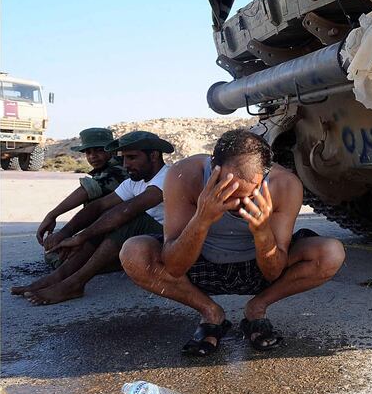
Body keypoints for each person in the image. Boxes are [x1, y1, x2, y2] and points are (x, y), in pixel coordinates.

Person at [120, 129, 345, 356]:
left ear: (264, 175)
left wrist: (262, 231)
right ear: (213, 167)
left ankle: (257, 309)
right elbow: (175, 266)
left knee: (330, 253)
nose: (237, 202)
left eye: (248, 193)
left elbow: (273, 273)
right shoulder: (184, 175)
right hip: (199, 264)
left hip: (257, 267)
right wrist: (202, 219)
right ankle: (211, 314)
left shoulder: (285, 185)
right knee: (134, 253)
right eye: (226, 189)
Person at [12, 131, 173, 305]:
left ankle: (75, 283)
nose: (126, 164)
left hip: (176, 246)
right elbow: (99, 206)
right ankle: (59, 276)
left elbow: (128, 210)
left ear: (154, 156)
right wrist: (67, 232)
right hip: (147, 243)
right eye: (124, 158)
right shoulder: (135, 181)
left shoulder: (169, 177)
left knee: (129, 219)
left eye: (132, 157)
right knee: (105, 217)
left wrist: (81, 237)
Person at [37, 127, 128, 268]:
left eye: (99, 150)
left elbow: (88, 190)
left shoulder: (120, 169)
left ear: (113, 150)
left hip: (124, 232)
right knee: (59, 253)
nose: (93, 156)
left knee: (62, 259)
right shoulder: (106, 170)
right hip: (107, 229)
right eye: (88, 152)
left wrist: (52, 215)